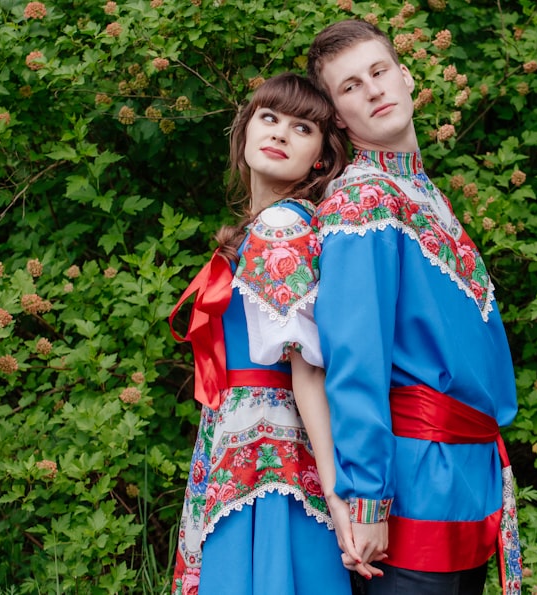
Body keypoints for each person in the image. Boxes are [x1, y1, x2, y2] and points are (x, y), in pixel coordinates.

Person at [306, 20, 523, 595]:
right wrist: (367, 494)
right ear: (335, 115)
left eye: (378, 72)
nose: (373, 90)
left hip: (465, 480)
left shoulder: (424, 195)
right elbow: (355, 359)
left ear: (405, 77)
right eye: (349, 86)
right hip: (409, 486)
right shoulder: (362, 202)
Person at [168, 72, 352, 595]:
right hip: (247, 437)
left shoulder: (281, 226)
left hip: (269, 451)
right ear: (245, 128)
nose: (279, 133)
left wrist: (337, 494)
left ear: (320, 156)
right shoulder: (268, 223)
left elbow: (307, 368)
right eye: (269, 118)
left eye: (301, 128)